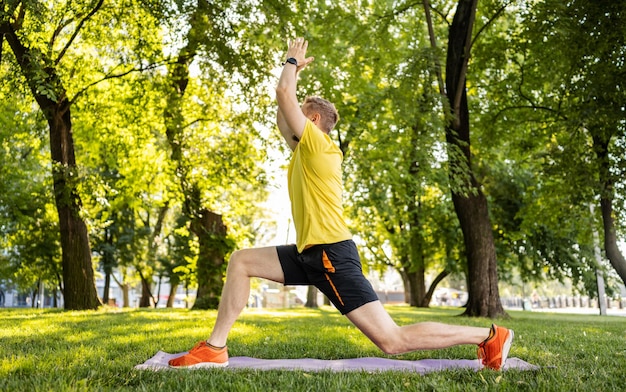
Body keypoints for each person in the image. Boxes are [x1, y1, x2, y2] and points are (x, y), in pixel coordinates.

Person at [168, 37, 514, 371]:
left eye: (302, 115)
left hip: (330, 255)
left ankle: (489, 336)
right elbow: (282, 115)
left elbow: (283, 94)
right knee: (241, 261)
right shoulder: (306, 151)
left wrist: (290, 63)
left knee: (391, 340)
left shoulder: (318, 147)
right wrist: (294, 80)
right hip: (310, 252)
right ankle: (215, 348)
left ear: (314, 121)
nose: (294, 120)